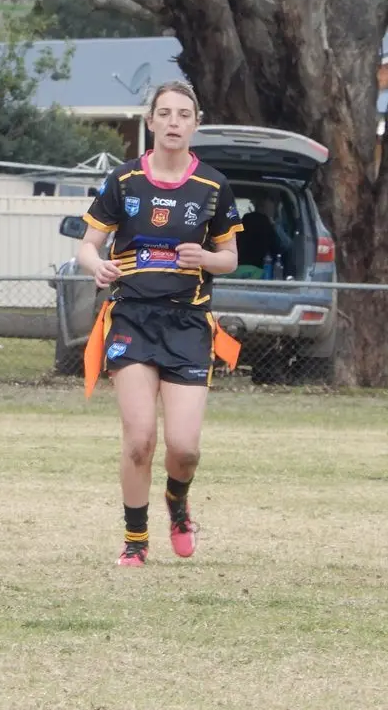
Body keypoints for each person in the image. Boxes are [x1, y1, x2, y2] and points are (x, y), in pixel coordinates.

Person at [77, 81, 244, 567]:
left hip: (188, 324)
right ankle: (135, 540)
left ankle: (177, 500)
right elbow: (87, 245)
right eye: (165, 113)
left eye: (183, 114)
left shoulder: (212, 185)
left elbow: (230, 258)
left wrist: (206, 258)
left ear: (196, 124)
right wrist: (97, 266)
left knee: (185, 448)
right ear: (150, 121)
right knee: (139, 439)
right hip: (131, 317)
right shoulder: (124, 180)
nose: (174, 122)